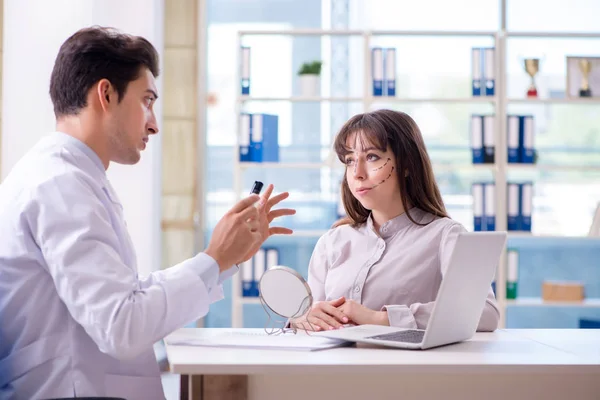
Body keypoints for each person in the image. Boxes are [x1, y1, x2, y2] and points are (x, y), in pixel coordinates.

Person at [0, 26, 294, 400]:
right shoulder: (60, 185)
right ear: (106, 94)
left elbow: (128, 297)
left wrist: (221, 260)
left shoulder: (65, 176)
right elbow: (121, 326)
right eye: (147, 100)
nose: (154, 123)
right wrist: (214, 257)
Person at [290, 109, 499, 332]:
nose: (357, 173)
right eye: (350, 160)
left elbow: (485, 313)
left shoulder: (445, 235)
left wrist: (378, 318)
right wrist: (302, 318)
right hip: (332, 366)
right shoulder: (333, 241)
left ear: (407, 164)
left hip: (408, 367)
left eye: (372, 157)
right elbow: (310, 319)